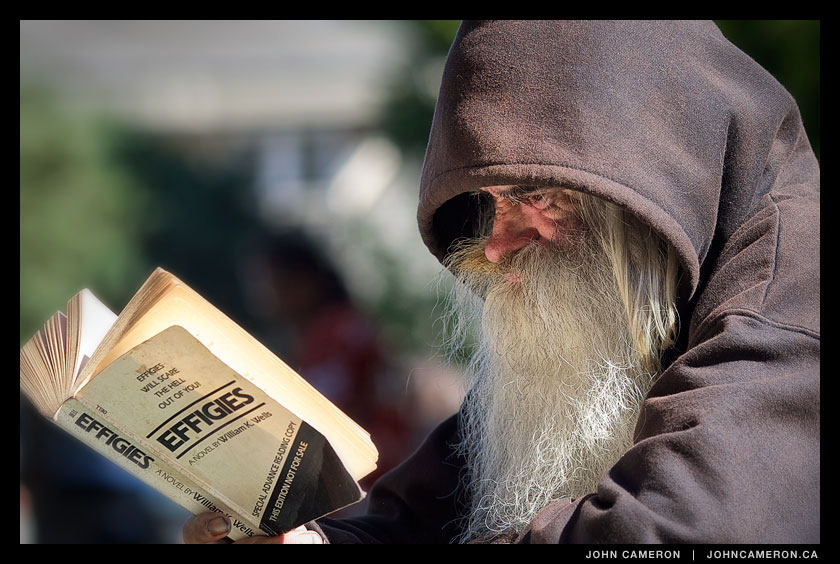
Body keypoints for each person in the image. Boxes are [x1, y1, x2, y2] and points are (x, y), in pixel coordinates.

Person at [183, 20, 819, 544]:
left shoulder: (791, 285)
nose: (495, 245)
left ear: (644, 187)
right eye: (489, 203)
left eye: (535, 194)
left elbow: (676, 533)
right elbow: (428, 513)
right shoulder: (601, 301)